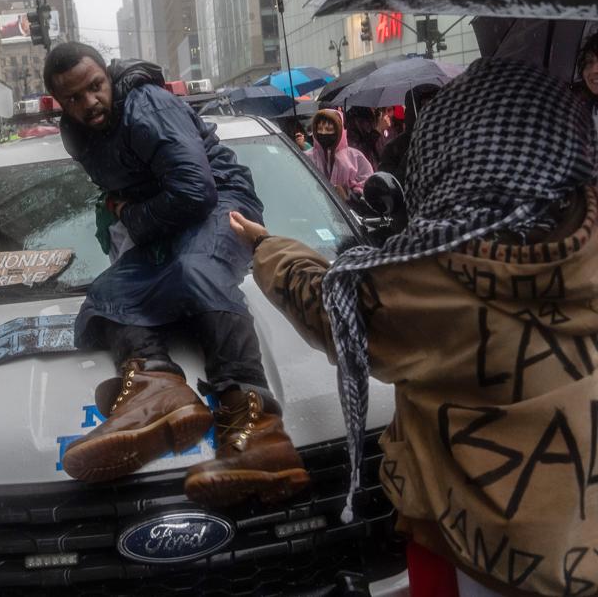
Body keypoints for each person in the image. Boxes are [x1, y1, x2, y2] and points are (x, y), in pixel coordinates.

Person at [229, 59, 598, 595]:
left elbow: (330, 308)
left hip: (475, 553)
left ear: (447, 149)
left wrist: (268, 246)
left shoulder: (428, 276)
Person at [44, 41, 309, 507]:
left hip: (222, 202)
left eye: (95, 87)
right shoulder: (77, 134)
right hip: (169, 220)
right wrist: (128, 215)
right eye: (74, 98)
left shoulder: (146, 103)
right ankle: (156, 387)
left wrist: (134, 214)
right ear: (59, 103)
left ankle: (258, 431)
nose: (89, 103)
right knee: (106, 293)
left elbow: (195, 190)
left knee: (195, 269)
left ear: (108, 76)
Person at [306, 109, 373, 200]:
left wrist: (349, 194)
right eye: (320, 129)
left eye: (329, 129)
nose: (323, 133)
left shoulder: (355, 157)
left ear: (339, 130)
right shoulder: (306, 157)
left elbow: (367, 184)